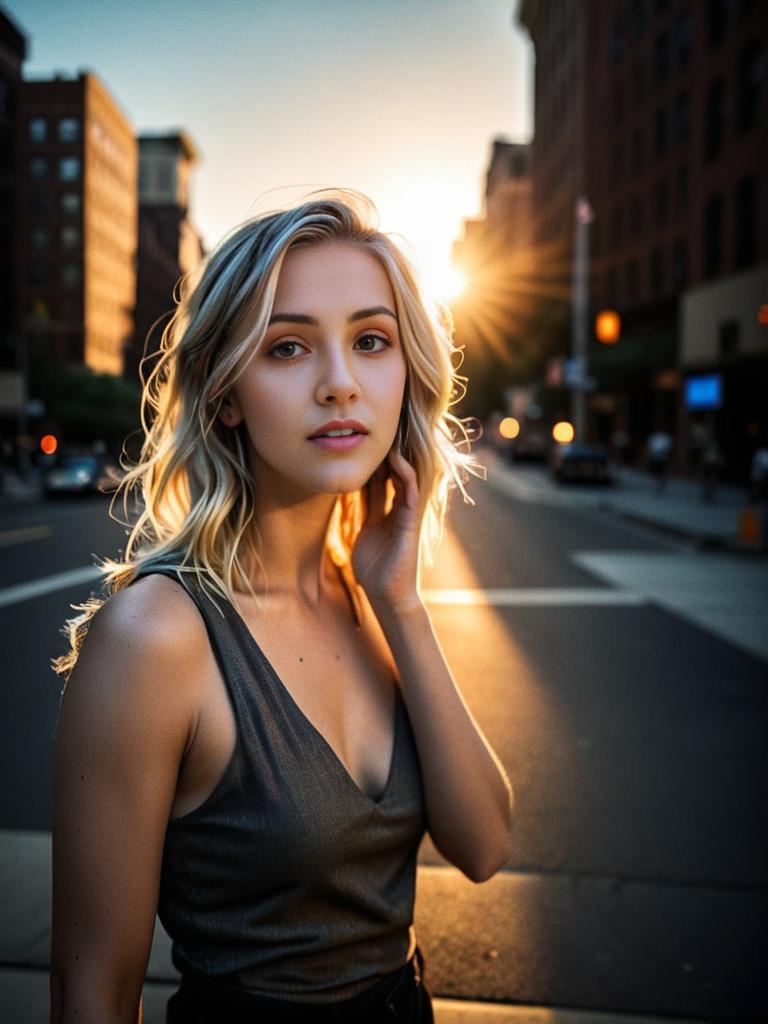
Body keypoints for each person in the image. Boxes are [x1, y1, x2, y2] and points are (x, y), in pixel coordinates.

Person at [49, 191, 514, 1024]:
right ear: (226, 394)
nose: (341, 385)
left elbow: (484, 845)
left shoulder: (370, 595)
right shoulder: (158, 637)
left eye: (371, 341)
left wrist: (402, 602)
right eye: (288, 348)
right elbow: (95, 991)